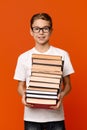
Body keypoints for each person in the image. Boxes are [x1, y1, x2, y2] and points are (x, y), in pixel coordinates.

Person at [14, 13, 74, 130]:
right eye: (37, 29)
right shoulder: (23, 57)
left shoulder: (62, 55)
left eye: (45, 28)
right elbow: (20, 86)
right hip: (32, 118)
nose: (41, 33)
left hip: (56, 117)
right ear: (31, 31)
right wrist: (24, 95)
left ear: (51, 31)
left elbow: (68, 85)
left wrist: (60, 96)